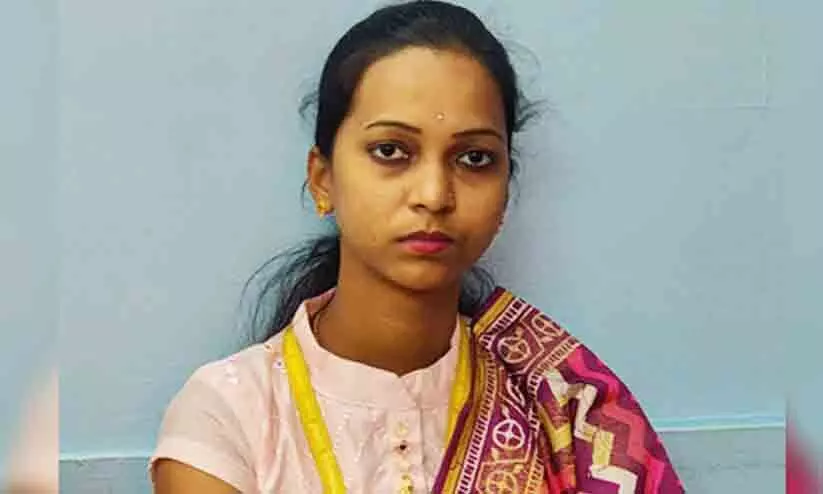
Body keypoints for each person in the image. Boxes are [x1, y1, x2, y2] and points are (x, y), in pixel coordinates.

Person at [150, 1, 684, 492]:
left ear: (505, 188)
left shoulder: (566, 410)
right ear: (322, 179)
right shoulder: (229, 418)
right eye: (391, 150)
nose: (433, 194)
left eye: (474, 158)